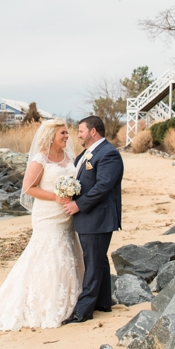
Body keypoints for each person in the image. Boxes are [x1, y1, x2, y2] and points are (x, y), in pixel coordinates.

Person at [0, 119, 84, 330]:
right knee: (51, 253)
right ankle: (44, 304)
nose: (67, 136)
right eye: (63, 134)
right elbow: (28, 188)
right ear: (50, 137)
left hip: (66, 214)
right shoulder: (40, 159)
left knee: (68, 251)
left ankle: (72, 299)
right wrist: (56, 197)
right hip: (48, 214)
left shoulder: (69, 157)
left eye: (67, 133)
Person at [59, 115, 124, 324]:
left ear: (93, 131)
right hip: (90, 218)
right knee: (99, 259)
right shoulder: (86, 154)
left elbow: (103, 186)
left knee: (93, 263)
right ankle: (103, 302)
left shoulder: (109, 154)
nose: (78, 135)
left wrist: (78, 204)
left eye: (81, 131)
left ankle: (83, 311)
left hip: (98, 217)